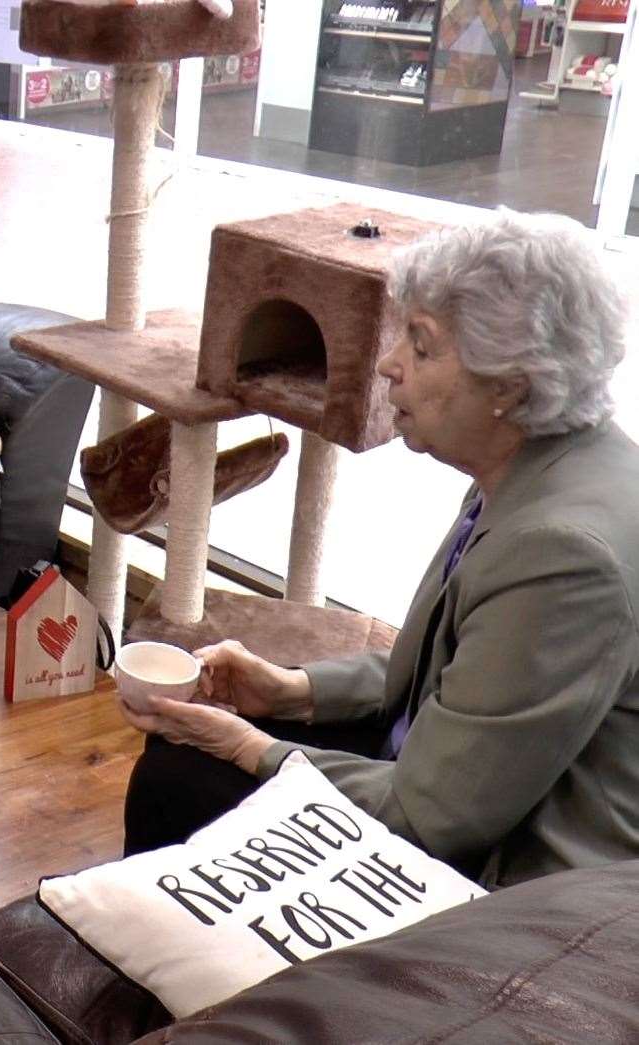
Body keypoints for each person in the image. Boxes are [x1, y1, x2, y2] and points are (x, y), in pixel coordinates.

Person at [118, 209, 639, 888]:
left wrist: (253, 748)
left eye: (421, 347)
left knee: (181, 775)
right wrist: (292, 693)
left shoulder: (565, 552)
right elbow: (457, 676)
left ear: (510, 385)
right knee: (193, 749)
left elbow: (434, 815)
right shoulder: (544, 463)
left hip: (515, 889)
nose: (388, 365)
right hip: (463, 781)